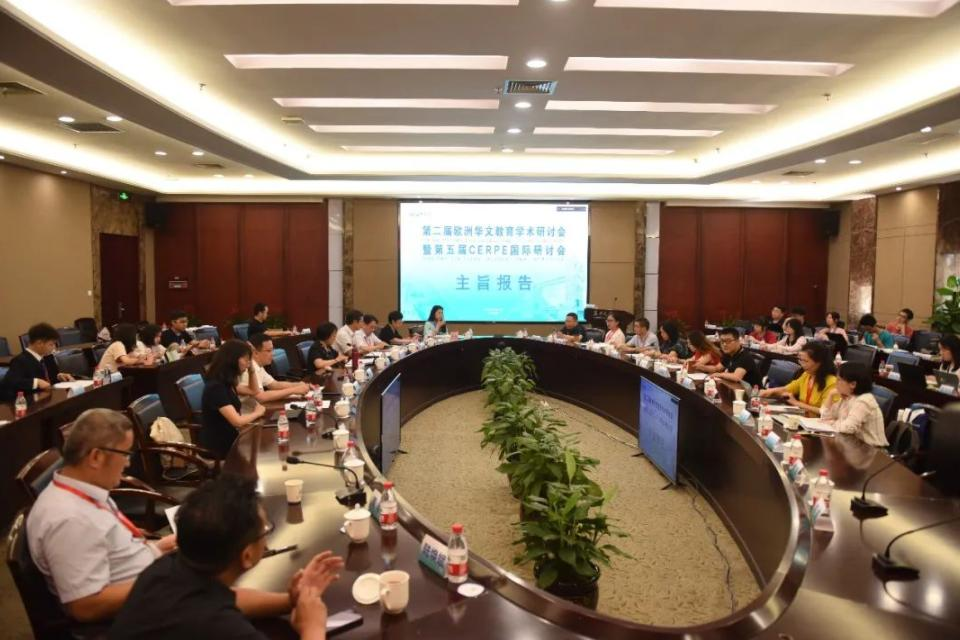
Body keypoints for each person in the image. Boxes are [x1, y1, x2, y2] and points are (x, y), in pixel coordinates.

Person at [107, 474, 343, 640]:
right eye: (265, 530)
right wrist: (312, 627)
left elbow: (229, 598)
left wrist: (291, 601)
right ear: (247, 555)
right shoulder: (220, 627)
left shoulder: (166, 569)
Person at [27, 409, 177, 622]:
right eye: (125, 454)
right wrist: (166, 578)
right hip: (140, 615)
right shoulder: (69, 520)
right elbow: (86, 606)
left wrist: (160, 547)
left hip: (152, 582)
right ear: (96, 457)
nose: (127, 463)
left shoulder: (87, 489)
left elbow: (112, 549)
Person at [201, 340, 266, 458]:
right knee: (262, 453)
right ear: (233, 359)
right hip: (221, 447)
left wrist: (251, 370)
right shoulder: (216, 387)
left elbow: (254, 391)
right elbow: (237, 421)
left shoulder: (227, 382)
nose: (248, 363)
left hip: (233, 437)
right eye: (246, 360)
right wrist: (257, 413)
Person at [820, 363, 889, 447]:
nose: (835, 383)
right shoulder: (847, 396)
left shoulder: (864, 400)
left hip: (872, 449)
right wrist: (830, 395)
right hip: (855, 445)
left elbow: (847, 428)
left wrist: (832, 423)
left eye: (839, 380)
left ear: (853, 384)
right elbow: (825, 417)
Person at [0, 322, 73, 400]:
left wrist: (58, 376)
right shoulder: (20, 361)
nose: (54, 348)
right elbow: (11, 382)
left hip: (49, 399)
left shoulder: (47, 357)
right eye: (51, 344)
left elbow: (49, 380)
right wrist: (36, 382)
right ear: (39, 343)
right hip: (31, 402)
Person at [760, 342, 837, 412]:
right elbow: (789, 388)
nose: (802, 364)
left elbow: (826, 412)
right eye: (800, 360)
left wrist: (796, 403)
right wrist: (770, 391)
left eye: (806, 361)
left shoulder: (832, 382)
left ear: (819, 362)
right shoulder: (807, 375)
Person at [237, 334, 310, 405]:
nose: (272, 354)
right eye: (269, 351)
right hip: (251, 410)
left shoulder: (258, 366)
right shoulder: (249, 369)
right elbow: (260, 397)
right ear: (255, 353)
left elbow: (274, 384)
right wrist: (293, 390)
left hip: (259, 407)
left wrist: (298, 384)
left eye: (272, 350)